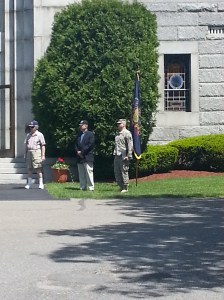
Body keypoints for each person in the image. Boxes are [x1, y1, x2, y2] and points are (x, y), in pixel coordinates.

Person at [24, 120, 46, 189]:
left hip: (36, 152)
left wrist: (43, 155)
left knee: (38, 168)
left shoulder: (40, 135)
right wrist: (25, 153)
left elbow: (43, 145)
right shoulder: (28, 135)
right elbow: (26, 145)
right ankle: (29, 183)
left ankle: (41, 183)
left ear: (36, 127)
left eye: (32, 127)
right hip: (29, 152)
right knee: (29, 168)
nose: (31, 128)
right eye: (30, 127)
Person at [113, 119, 133, 193]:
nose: (118, 125)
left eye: (119, 124)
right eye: (117, 124)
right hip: (117, 154)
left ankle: (125, 187)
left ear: (123, 124)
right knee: (117, 171)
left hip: (123, 155)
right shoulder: (117, 133)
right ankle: (120, 186)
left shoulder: (127, 133)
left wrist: (128, 155)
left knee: (124, 171)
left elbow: (130, 145)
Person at [75, 120, 95, 191]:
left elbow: (90, 145)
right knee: (81, 173)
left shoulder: (90, 134)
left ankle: (91, 187)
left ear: (86, 126)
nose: (80, 126)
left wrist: (82, 152)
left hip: (87, 156)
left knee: (89, 172)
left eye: (82, 125)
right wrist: (78, 151)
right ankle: (83, 187)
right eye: (80, 125)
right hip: (80, 157)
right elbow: (76, 144)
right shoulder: (79, 135)